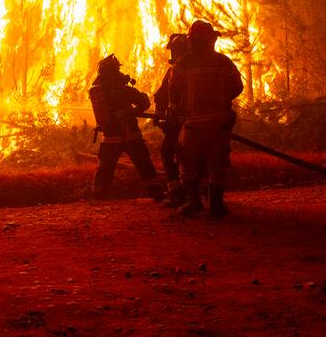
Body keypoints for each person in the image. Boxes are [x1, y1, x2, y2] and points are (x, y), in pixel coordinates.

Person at [169, 20, 243, 217]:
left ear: (191, 41)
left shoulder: (182, 63)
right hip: (220, 123)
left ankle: (194, 203)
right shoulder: (223, 62)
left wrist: (175, 111)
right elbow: (238, 87)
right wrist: (221, 100)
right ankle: (216, 205)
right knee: (217, 162)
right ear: (211, 40)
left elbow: (174, 92)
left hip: (193, 124)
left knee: (187, 161)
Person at [88, 54, 164, 202]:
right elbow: (144, 102)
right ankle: (157, 194)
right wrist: (133, 110)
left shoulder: (98, 90)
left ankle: (98, 195)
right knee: (144, 164)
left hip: (109, 138)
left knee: (105, 167)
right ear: (114, 71)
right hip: (130, 135)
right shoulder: (123, 90)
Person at [154, 34, 189, 207]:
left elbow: (163, 96)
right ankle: (202, 193)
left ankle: (177, 193)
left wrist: (161, 117)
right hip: (200, 121)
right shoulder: (201, 67)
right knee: (198, 156)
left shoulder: (176, 70)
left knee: (168, 153)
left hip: (179, 123)